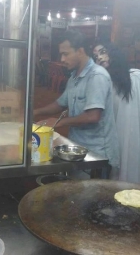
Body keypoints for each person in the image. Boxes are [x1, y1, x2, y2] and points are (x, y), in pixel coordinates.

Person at [34, 30, 119, 176]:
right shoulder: (74, 77)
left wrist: (59, 122)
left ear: (80, 51)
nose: (62, 59)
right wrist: (34, 112)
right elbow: (61, 103)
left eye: (65, 54)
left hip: (97, 155)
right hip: (78, 149)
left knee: (90, 197)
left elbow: (93, 116)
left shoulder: (96, 76)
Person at [93, 42, 140, 185]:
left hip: (134, 144)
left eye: (103, 52)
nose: (100, 58)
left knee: (132, 187)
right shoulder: (104, 82)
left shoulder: (137, 77)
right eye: (96, 56)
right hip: (112, 146)